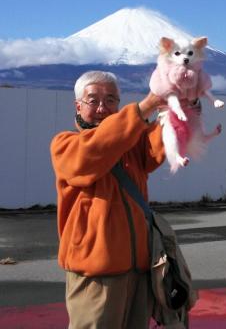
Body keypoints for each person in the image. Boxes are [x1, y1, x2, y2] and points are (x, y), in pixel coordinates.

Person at [50, 70, 166, 329]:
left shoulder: (130, 142)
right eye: (93, 100)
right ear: (77, 105)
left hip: (138, 270)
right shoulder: (65, 144)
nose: (102, 108)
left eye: (111, 100)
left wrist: (181, 108)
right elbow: (95, 149)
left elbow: (158, 145)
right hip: (95, 275)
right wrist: (146, 105)